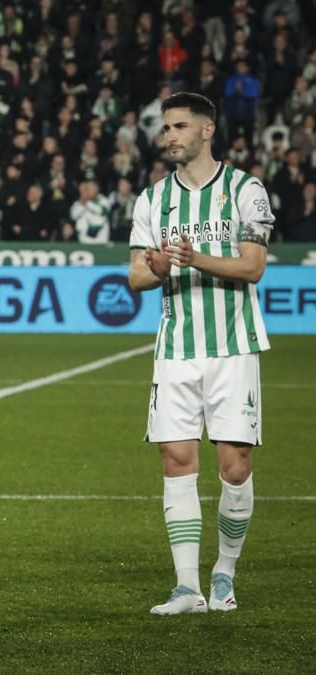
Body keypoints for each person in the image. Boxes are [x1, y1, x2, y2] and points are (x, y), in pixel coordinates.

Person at [127, 92, 272, 616]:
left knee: (234, 467)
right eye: (166, 127)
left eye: (180, 126)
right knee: (175, 459)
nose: (170, 136)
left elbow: (253, 267)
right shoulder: (152, 199)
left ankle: (224, 572)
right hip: (176, 348)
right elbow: (136, 275)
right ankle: (186, 587)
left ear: (207, 131)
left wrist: (195, 258)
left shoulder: (246, 190)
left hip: (233, 347)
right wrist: (162, 267)